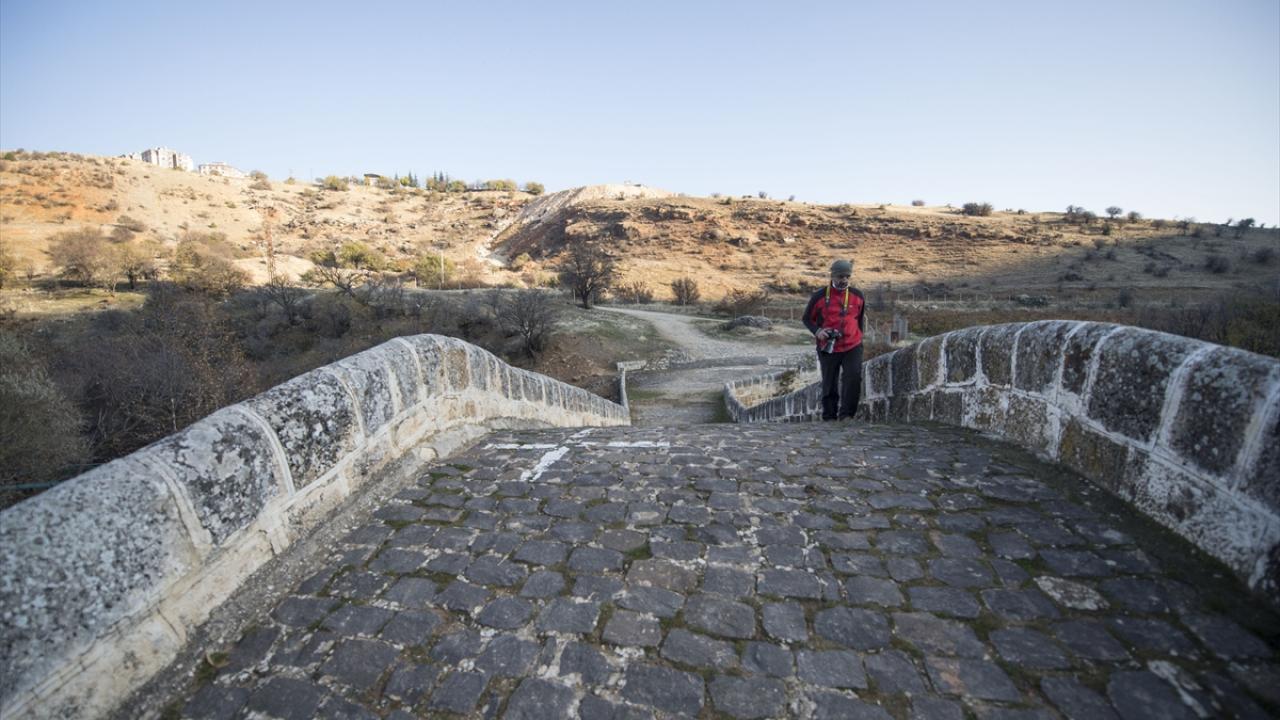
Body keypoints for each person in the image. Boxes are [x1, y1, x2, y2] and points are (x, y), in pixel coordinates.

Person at [803, 259, 866, 420]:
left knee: (853, 377)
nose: (844, 280)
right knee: (829, 382)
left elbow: (859, 320)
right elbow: (807, 319)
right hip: (828, 346)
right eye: (840, 276)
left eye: (847, 276)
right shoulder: (819, 296)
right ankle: (829, 417)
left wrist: (858, 337)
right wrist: (818, 331)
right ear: (832, 276)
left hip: (853, 345)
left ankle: (847, 416)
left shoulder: (858, 295)